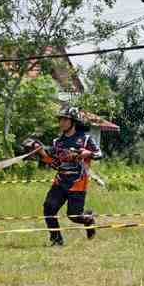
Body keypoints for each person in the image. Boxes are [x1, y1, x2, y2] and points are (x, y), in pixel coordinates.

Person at [29, 106, 102, 247]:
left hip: (78, 182)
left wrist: (88, 153)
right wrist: (42, 154)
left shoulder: (85, 139)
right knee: (49, 208)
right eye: (60, 119)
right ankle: (56, 240)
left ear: (73, 121)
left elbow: (99, 154)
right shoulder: (57, 142)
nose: (61, 122)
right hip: (60, 181)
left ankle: (88, 219)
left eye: (64, 119)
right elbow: (55, 164)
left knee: (74, 216)